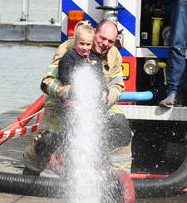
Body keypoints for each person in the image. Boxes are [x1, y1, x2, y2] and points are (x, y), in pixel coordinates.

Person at [23, 20, 132, 175]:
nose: (105, 44)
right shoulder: (68, 49)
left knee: (121, 129)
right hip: (63, 104)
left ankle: (120, 179)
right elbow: (48, 82)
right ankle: (30, 173)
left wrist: (106, 96)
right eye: (101, 38)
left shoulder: (114, 54)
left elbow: (117, 86)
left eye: (110, 41)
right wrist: (71, 91)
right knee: (46, 141)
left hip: (99, 104)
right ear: (94, 33)